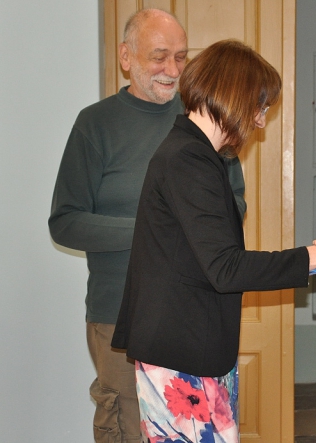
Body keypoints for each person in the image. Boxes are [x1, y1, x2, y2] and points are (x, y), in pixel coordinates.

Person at [110, 39, 316, 443]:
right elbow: (226, 269)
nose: (260, 122)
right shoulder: (188, 159)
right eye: (259, 107)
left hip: (189, 348)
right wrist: (315, 255)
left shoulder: (195, 154)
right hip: (182, 352)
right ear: (234, 96)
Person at [48, 9, 246, 442]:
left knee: (200, 431)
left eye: (181, 57)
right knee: (128, 428)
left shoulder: (204, 119)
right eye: (159, 57)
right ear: (126, 57)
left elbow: (235, 206)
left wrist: (179, 226)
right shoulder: (95, 124)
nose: (172, 70)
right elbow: (65, 222)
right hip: (120, 313)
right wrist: (152, 229)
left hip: (197, 315)